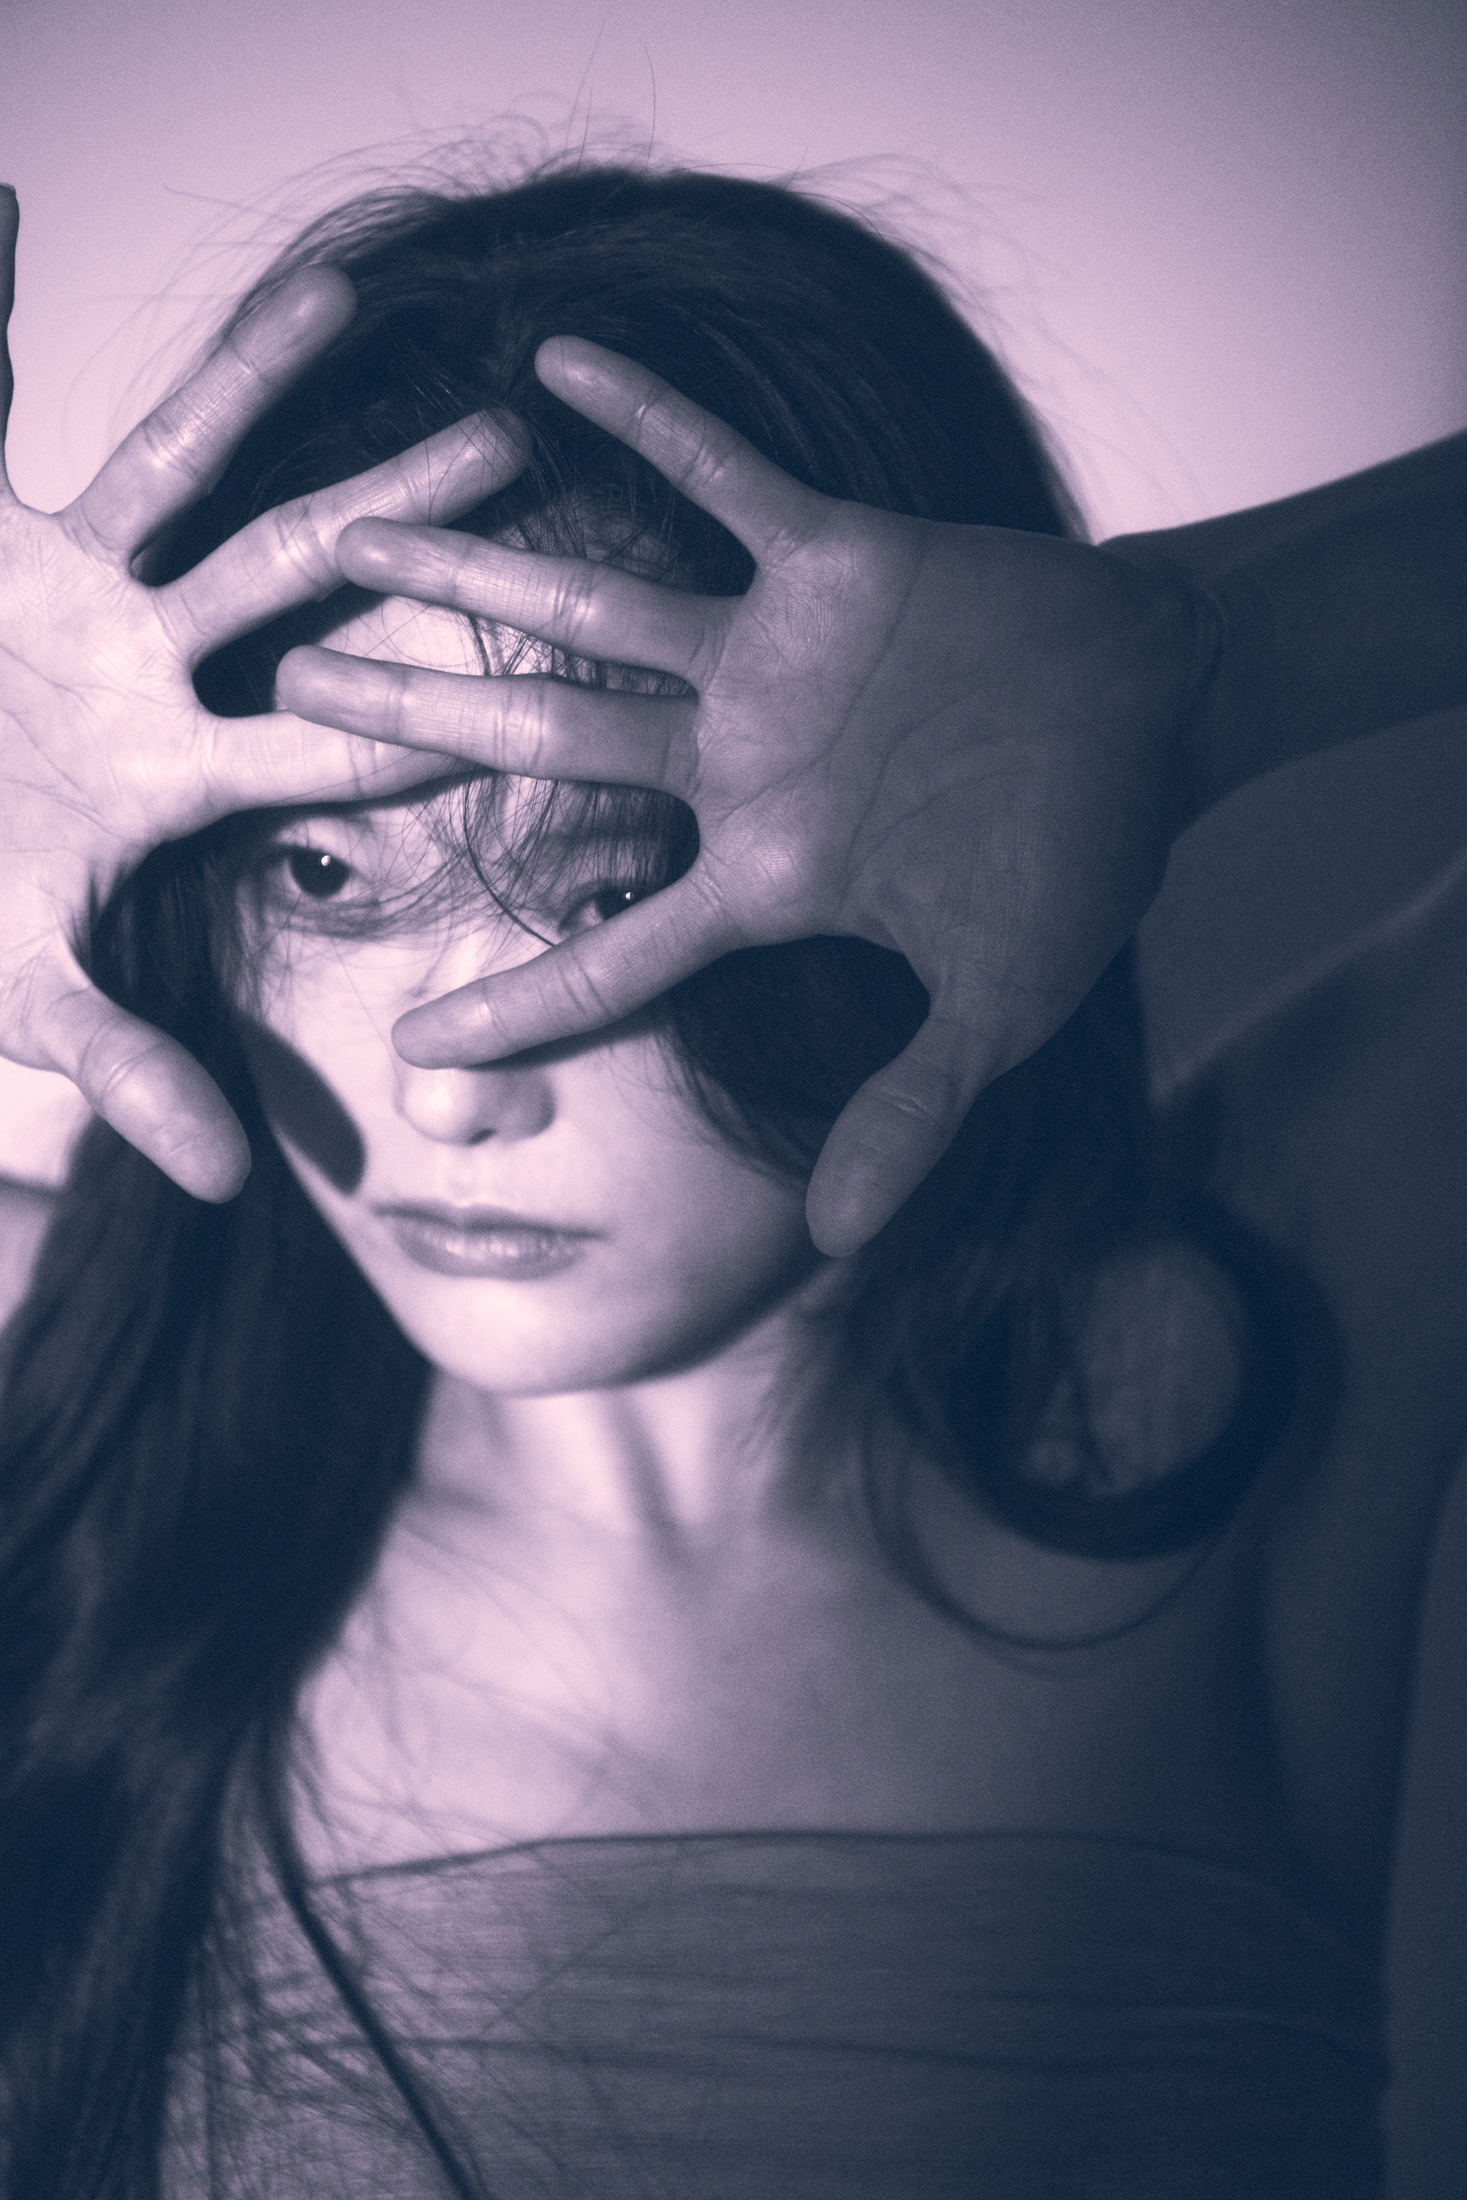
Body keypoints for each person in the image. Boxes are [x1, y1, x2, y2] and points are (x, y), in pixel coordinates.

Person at [0, 160, 1462, 2199]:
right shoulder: (60, 1387)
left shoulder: (1243, 1367)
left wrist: (1212, 654)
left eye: (620, 887)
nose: (451, 1086)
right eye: (323, 872)